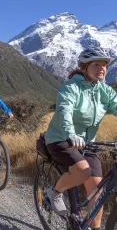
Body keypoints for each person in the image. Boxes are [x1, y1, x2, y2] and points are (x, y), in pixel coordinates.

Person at [45, 46, 117, 230]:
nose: (101, 68)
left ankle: (96, 228)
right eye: (96, 64)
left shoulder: (105, 91)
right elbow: (64, 111)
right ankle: (54, 193)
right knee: (83, 172)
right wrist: (70, 133)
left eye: (104, 65)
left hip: (88, 143)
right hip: (61, 138)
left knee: (97, 190)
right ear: (84, 67)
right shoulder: (71, 87)